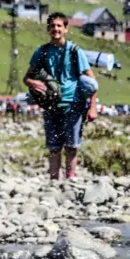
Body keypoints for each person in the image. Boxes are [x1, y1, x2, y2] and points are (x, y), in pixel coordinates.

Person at [25, 12, 99, 180]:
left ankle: (70, 178)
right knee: (53, 147)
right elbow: (26, 77)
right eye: (52, 26)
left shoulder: (74, 51)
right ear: (48, 29)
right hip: (50, 105)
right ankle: (53, 180)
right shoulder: (42, 51)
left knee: (72, 146)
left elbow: (92, 82)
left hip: (73, 104)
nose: (55, 29)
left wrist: (92, 107)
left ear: (66, 29)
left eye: (59, 26)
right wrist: (32, 83)